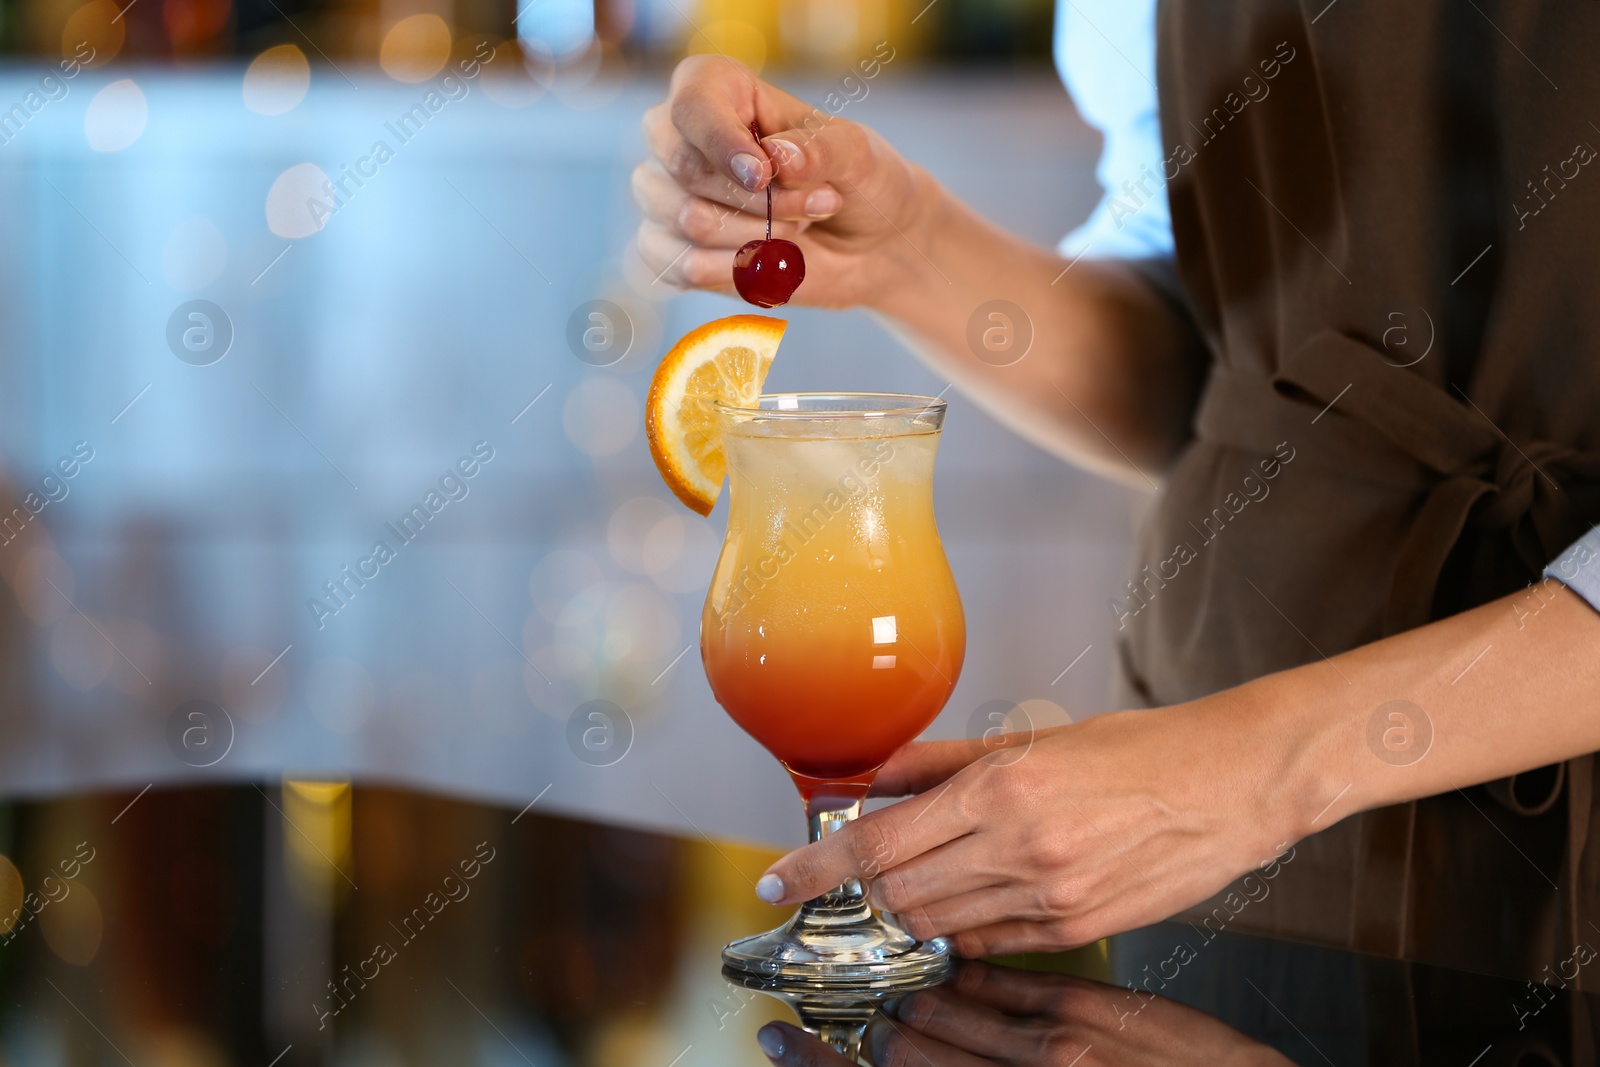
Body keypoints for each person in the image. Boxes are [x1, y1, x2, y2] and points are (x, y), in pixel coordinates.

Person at [632, 0, 1600, 987]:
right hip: (1200, 816)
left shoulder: (1235, 775)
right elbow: (1223, 366)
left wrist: (1258, 768)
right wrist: (907, 251)